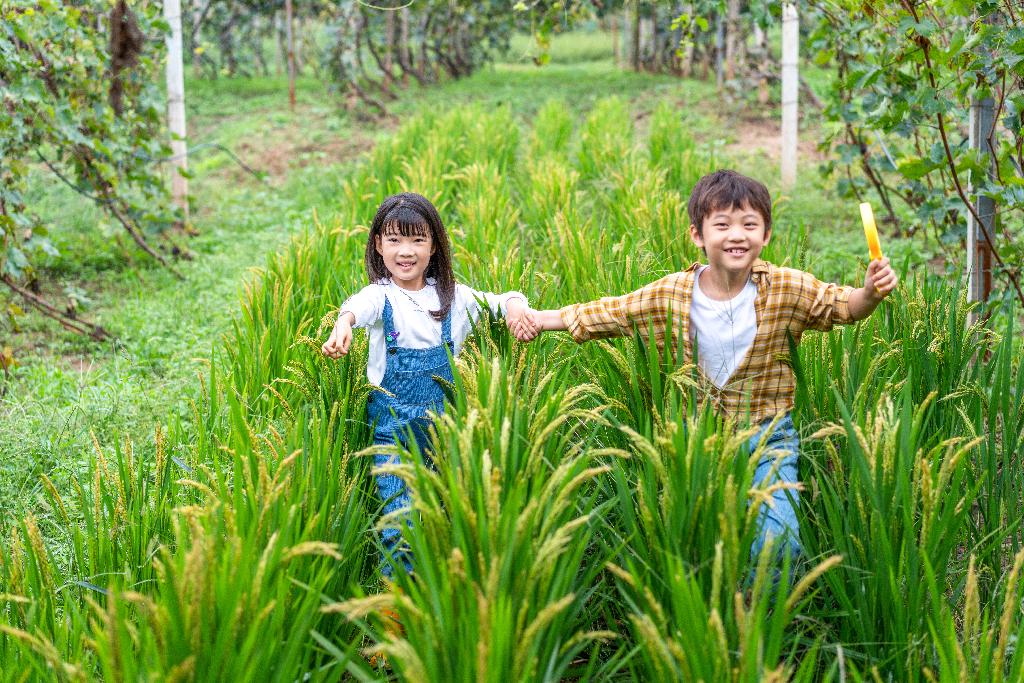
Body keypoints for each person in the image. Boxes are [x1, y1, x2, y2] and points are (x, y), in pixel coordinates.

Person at [512, 169, 898, 563]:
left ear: (765, 235)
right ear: (698, 235)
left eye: (750, 224)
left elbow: (842, 307)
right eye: (722, 224)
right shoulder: (671, 293)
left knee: (778, 543)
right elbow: (612, 313)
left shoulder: (787, 288)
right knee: (701, 542)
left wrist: (870, 292)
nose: (737, 235)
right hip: (696, 437)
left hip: (768, 435)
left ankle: (762, 607)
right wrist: (540, 319)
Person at [322, 192, 529, 579]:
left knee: (446, 518)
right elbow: (354, 308)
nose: (406, 251)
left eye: (417, 240)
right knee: (403, 522)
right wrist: (343, 325)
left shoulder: (454, 298)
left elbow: (502, 302)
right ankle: (396, 613)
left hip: (446, 433)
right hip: (393, 435)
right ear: (379, 245)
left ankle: (440, 593)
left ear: (434, 246)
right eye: (395, 239)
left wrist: (516, 305)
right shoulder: (381, 296)